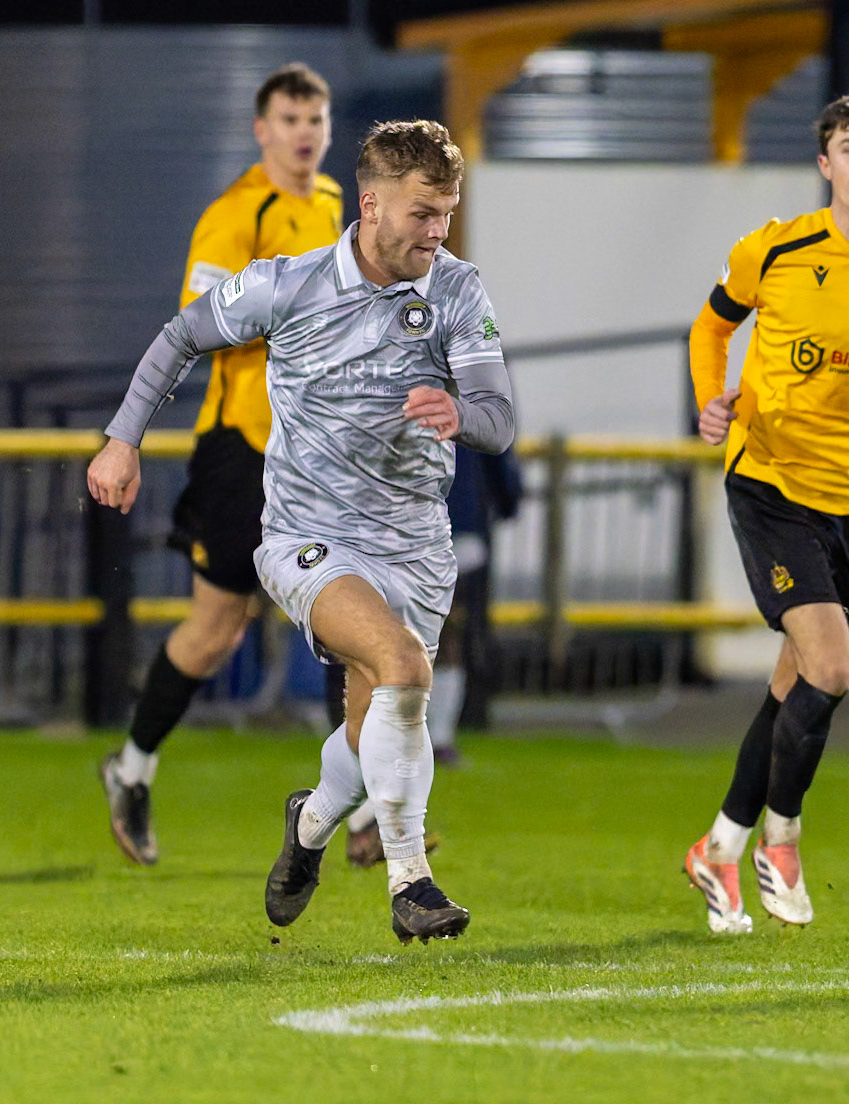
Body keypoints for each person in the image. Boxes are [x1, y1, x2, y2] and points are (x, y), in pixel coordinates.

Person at [88, 119, 513, 945]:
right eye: (422, 213)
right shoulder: (286, 285)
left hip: (414, 547)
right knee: (402, 668)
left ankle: (310, 824)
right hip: (308, 537)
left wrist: (460, 413)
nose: (437, 231)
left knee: (370, 726)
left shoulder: (459, 292)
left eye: (447, 213)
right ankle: (411, 883)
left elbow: (497, 420)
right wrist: (121, 438)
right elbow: (180, 337)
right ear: (371, 204)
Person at [682, 91, 849, 933]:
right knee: (832, 669)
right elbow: (709, 328)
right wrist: (710, 400)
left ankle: (718, 847)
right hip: (769, 481)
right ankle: (782, 839)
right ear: (824, 164)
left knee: (795, 683)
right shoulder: (773, 249)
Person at [97, 62, 347, 866]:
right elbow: (195, 325)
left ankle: (364, 813)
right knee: (215, 633)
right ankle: (132, 768)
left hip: (319, 454)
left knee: (348, 617)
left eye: (314, 119)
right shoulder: (237, 214)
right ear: (261, 130)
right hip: (243, 449)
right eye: (290, 120)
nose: (304, 133)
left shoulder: (336, 203)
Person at [342, 443, 522, 867]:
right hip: (408, 528)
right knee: (408, 646)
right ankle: (372, 812)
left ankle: (383, 809)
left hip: (421, 527)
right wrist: (507, 498)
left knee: (423, 644)